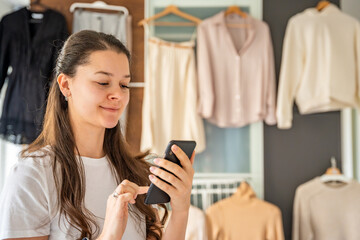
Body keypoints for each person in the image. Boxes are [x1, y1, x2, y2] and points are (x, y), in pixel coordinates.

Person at [0, 30, 195, 240]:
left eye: (124, 85)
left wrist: (181, 209)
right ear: (66, 85)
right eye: (103, 83)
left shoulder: (135, 172)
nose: (118, 95)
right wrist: (109, 235)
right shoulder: (33, 176)